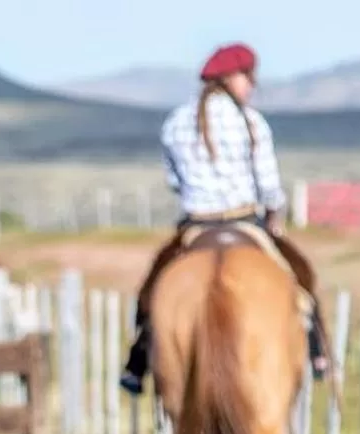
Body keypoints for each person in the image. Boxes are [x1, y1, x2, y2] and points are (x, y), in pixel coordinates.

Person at [120, 42, 327, 395]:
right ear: (230, 78)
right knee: (301, 283)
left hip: (196, 225)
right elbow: (269, 186)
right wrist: (274, 215)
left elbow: (175, 181)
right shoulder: (251, 122)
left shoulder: (175, 123)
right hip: (245, 221)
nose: (252, 84)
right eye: (247, 76)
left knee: (152, 294)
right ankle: (316, 350)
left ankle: (137, 362)